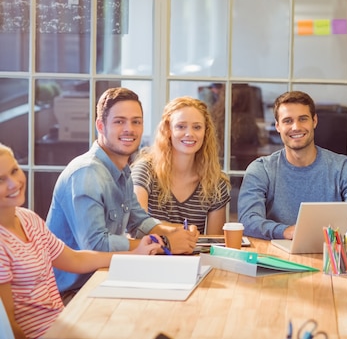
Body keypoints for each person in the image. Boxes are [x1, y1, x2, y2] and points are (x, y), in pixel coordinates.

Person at [46, 87, 199, 298]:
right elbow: (96, 246)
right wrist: (164, 244)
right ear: (101, 125)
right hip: (70, 294)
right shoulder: (87, 173)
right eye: (119, 121)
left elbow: (139, 221)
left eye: (136, 121)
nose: (130, 129)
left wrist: (176, 233)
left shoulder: (122, 169)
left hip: (105, 277)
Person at [0, 143, 162, 339]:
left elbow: (76, 259)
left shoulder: (28, 219)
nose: (13, 183)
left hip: (64, 324)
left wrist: (134, 255)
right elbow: (8, 327)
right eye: (1, 180)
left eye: (14, 171)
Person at [238, 91, 347, 240]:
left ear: (314, 121)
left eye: (303, 119)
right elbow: (248, 221)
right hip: (276, 258)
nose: (296, 127)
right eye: (288, 121)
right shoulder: (261, 169)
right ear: (277, 126)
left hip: (328, 255)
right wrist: (286, 231)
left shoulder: (344, 167)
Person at [131, 96, 231, 235]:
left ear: (205, 132)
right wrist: (178, 232)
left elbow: (214, 243)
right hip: (151, 255)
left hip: (193, 256)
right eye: (180, 126)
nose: (189, 133)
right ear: (168, 131)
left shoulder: (216, 182)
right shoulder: (145, 171)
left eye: (197, 127)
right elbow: (137, 227)